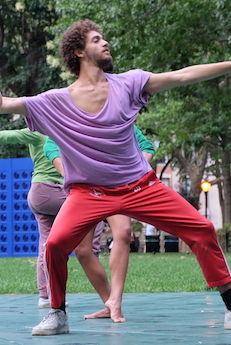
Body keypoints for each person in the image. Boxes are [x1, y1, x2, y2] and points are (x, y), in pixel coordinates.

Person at [0, 19, 231, 335]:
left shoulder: (128, 83)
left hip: (141, 187)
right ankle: (57, 313)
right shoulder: (55, 101)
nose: (105, 42)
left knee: (203, 229)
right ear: (79, 52)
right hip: (88, 193)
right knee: (55, 244)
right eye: (97, 39)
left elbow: (181, 76)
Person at [44, 130, 154, 323]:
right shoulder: (67, 121)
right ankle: (108, 302)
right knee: (82, 250)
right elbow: (51, 147)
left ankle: (116, 302)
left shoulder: (110, 119)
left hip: (115, 187)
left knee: (123, 232)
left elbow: (146, 146)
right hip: (86, 191)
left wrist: (133, 173)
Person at [0, 128, 96, 309]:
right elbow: (8, 136)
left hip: (38, 194)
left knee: (46, 245)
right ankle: (91, 250)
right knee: (92, 212)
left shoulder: (44, 132)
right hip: (53, 190)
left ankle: (45, 296)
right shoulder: (47, 131)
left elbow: (9, 135)